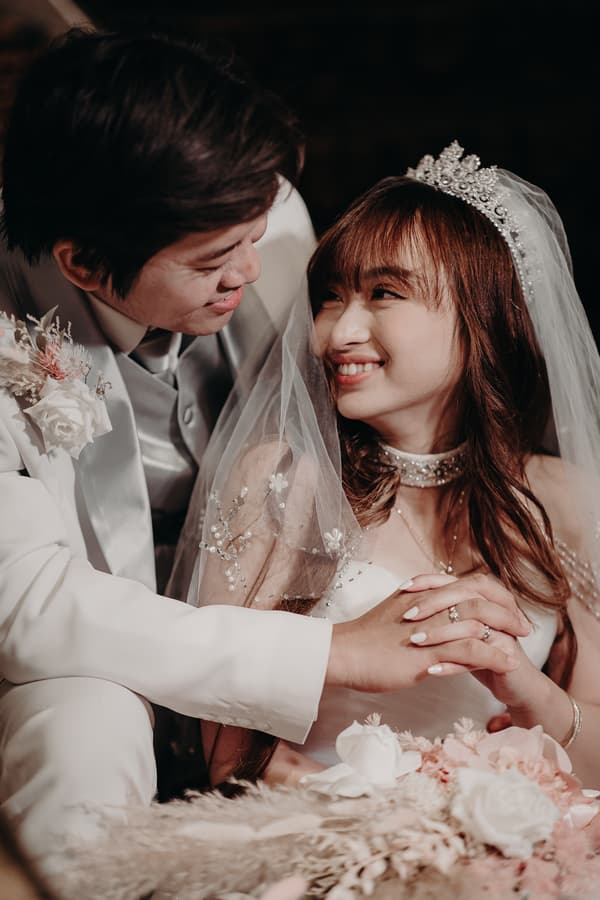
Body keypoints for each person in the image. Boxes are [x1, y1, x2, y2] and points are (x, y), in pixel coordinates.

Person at [0, 29, 488, 870]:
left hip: (278, 587)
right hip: (75, 647)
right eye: (216, 262)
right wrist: (332, 653)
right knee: (81, 723)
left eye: (257, 235)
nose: (254, 270)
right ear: (81, 263)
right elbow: (31, 608)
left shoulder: (253, 216)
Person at [178, 142, 600, 790]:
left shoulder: (563, 500)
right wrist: (407, 826)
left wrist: (526, 691)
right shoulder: (280, 480)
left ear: (481, 314)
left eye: (384, 293)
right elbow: (228, 759)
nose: (339, 332)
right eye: (330, 297)